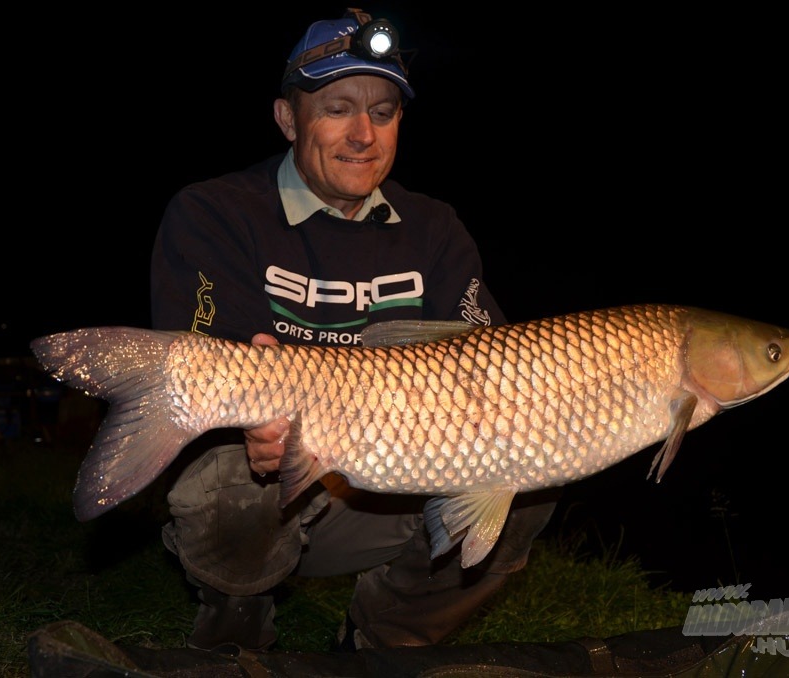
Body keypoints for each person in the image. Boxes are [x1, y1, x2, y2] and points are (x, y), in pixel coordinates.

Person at [150, 8, 561, 652]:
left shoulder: (435, 230)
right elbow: (199, 363)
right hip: (269, 482)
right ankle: (238, 613)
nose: (363, 134)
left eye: (384, 112)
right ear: (290, 119)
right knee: (226, 481)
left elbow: (497, 367)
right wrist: (264, 423)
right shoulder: (216, 213)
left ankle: (384, 637)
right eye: (337, 107)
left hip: (390, 477)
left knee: (527, 480)